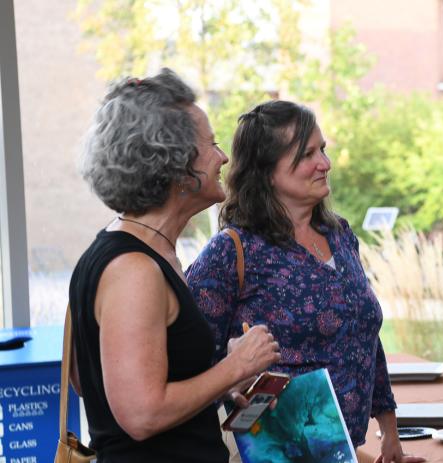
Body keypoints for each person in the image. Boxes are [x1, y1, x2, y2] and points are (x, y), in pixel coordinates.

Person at [186, 100, 421, 463]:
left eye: (323, 150)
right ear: (266, 171)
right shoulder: (232, 251)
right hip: (276, 450)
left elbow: (366, 336)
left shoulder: (340, 235)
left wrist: (390, 434)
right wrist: (231, 384)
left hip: (342, 449)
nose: (324, 164)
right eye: (307, 154)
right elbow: (193, 363)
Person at [69, 68, 282, 462]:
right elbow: (141, 414)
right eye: (212, 145)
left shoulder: (140, 253)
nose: (222, 157)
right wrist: (235, 367)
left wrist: (217, 386)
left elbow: (96, 381)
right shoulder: (133, 269)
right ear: (177, 167)